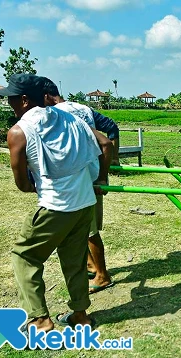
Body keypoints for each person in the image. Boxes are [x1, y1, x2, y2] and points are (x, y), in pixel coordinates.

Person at [0, 73, 112, 331]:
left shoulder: (19, 131)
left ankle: (40, 320)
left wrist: (33, 186)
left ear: (25, 100)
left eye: (12, 99)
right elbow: (103, 142)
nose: (10, 104)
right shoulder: (70, 116)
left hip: (56, 206)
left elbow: (22, 184)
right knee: (74, 261)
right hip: (84, 203)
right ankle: (80, 315)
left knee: (24, 255)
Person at [41, 78, 116, 294]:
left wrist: (100, 178)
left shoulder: (58, 115)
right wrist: (105, 172)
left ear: (46, 97)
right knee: (79, 227)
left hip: (83, 176)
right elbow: (111, 129)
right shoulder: (81, 107)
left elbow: (104, 142)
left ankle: (102, 276)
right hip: (92, 170)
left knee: (89, 229)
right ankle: (92, 266)